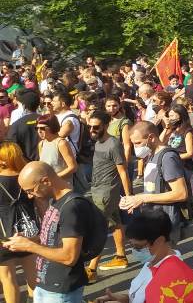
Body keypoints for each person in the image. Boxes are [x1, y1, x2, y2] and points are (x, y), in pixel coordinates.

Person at [4, 161, 94, 302]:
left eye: (30, 190)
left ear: (45, 181)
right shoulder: (54, 201)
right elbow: (53, 237)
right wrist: (30, 240)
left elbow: (69, 256)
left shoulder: (71, 207)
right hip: (47, 284)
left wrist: (29, 246)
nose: (29, 196)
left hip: (61, 291)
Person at [120, 121, 190, 242]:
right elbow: (154, 189)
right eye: (133, 144)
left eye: (138, 143)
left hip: (165, 223)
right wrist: (134, 199)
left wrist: (142, 198)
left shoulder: (167, 158)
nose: (136, 148)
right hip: (154, 220)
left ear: (151, 137)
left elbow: (181, 193)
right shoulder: (152, 155)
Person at [95, 209, 182, 303]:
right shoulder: (155, 260)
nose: (135, 251)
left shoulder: (172, 277)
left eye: (138, 246)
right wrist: (125, 298)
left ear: (159, 241)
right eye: (132, 246)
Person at [85, 111, 133, 281]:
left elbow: (123, 172)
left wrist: (129, 197)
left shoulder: (113, 144)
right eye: (89, 126)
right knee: (116, 223)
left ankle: (91, 269)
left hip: (106, 193)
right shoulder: (98, 141)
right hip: (97, 189)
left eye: (95, 127)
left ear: (105, 126)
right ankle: (121, 256)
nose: (91, 129)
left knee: (98, 229)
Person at [0, 142, 35, 303]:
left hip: (3, 233)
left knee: (8, 278)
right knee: (32, 274)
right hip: (27, 229)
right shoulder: (26, 177)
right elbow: (40, 203)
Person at [36, 113, 78, 182]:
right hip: (48, 186)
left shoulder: (61, 143)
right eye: (37, 128)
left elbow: (73, 167)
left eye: (42, 128)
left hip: (63, 186)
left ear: (52, 127)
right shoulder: (41, 144)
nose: (39, 131)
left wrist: (53, 177)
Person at [6, 89, 40, 162]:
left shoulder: (16, 125)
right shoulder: (47, 121)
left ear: (23, 106)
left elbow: (11, 149)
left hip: (24, 166)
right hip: (46, 166)